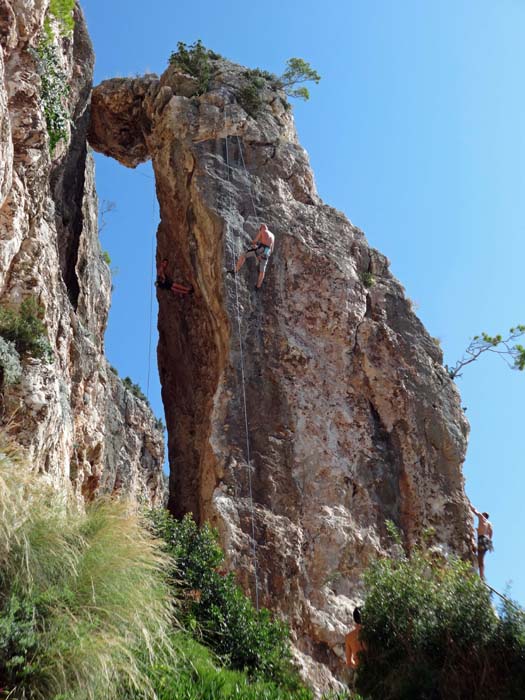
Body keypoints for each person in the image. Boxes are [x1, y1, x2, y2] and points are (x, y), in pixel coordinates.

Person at [231, 223, 275, 290]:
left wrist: (254, 244)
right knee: (262, 271)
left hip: (260, 249)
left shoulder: (262, 231)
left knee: (243, 255)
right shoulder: (273, 235)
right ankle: (258, 286)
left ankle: (235, 270)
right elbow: (272, 250)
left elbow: (255, 241)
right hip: (267, 252)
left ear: (261, 228)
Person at [470, 504, 493, 581]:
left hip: (481, 539)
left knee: (480, 558)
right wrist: (489, 541)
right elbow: (490, 533)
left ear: (484, 515)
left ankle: (481, 577)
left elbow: (475, 511)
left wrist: (469, 503)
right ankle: (482, 575)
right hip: (487, 541)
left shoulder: (481, 517)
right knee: (481, 557)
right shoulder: (489, 524)